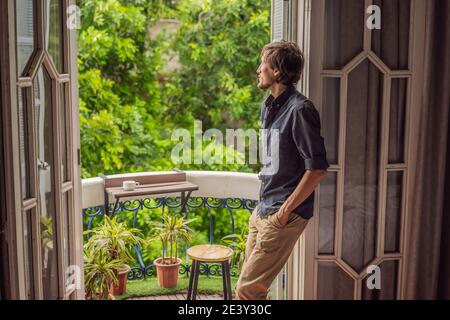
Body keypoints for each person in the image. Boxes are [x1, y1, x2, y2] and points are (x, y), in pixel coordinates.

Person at [234, 41, 330, 300]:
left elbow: (318, 168)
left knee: (246, 290)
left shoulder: (300, 110)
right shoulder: (270, 107)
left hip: (282, 213)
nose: (258, 69)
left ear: (276, 71)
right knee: (251, 286)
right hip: (264, 207)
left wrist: (285, 211)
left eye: (262, 63)